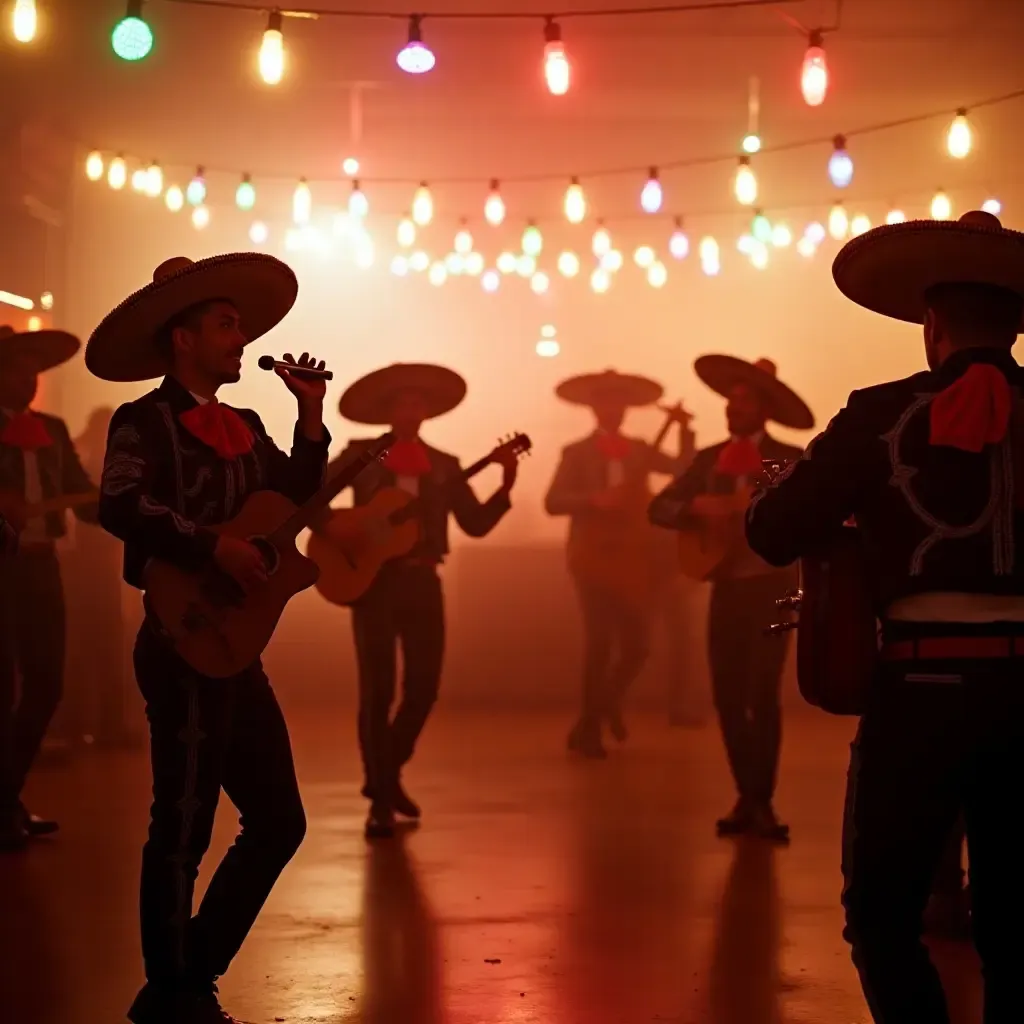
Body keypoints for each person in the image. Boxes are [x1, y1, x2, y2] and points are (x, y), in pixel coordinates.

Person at [745, 210, 1024, 1022]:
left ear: (930, 324)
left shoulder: (878, 414)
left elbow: (772, 532)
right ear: (1014, 324)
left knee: (882, 917)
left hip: (921, 690)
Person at [88, 253, 331, 1024]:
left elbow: (293, 491)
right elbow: (119, 505)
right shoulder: (143, 421)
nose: (241, 337)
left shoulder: (248, 426)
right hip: (176, 639)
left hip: (234, 649)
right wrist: (208, 545)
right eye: (226, 325)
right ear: (182, 338)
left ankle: (187, 973)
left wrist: (312, 414)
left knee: (280, 820)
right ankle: (173, 989)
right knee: (184, 821)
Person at [318, 363, 518, 840]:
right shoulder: (362, 454)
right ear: (388, 410)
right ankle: (383, 799)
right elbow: (313, 497)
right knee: (378, 690)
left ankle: (382, 778)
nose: (412, 409)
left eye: (419, 401)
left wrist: (505, 484)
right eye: (403, 401)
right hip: (372, 583)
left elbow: (474, 524)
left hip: (424, 581)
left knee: (424, 688)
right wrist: (340, 528)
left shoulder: (445, 465)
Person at [648, 356, 813, 841]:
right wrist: (695, 505)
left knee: (762, 694)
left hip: (772, 589)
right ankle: (747, 794)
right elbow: (658, 507)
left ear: (765, 408)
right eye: (730, 400)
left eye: (744, 401)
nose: (733, 408)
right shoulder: (707, 460)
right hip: (726, 589)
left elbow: (804, 515)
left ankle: (762, 799)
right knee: (726, 695)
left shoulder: (789, 457)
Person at [544, 370, 694, 758]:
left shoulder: (641, 449)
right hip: (591, 558)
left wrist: (684, 431)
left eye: (619, 403)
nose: (613, 410)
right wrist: (593, 500)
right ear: (594, 408)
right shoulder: (576, 453)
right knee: (599, 643)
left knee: (638, 645)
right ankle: (590, 727)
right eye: (606, 402)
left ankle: (602, 704)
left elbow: (684, 470)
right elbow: (554, 500)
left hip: (634, 559)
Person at [0, 322, 98, 851]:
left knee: (46, 685)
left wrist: (123, 502)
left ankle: (5, 797)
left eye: (35, 370)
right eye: (18, 367)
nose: (29, 379)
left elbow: (82, 497)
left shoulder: (54, 430)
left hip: (43, 568)